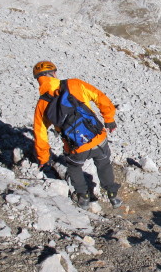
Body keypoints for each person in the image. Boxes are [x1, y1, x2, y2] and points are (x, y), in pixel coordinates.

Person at [32, 60, 122, 209]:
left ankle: (83, 197)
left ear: (39, 80)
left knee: (74, 168)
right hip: (97, 138)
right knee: (104, 163)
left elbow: (40, 133)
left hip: (75, 147)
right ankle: (113, 196)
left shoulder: (42, 104)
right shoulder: (74, 84)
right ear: (54, 73)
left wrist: (43, 158)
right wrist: (109, 119)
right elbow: (100, 97)